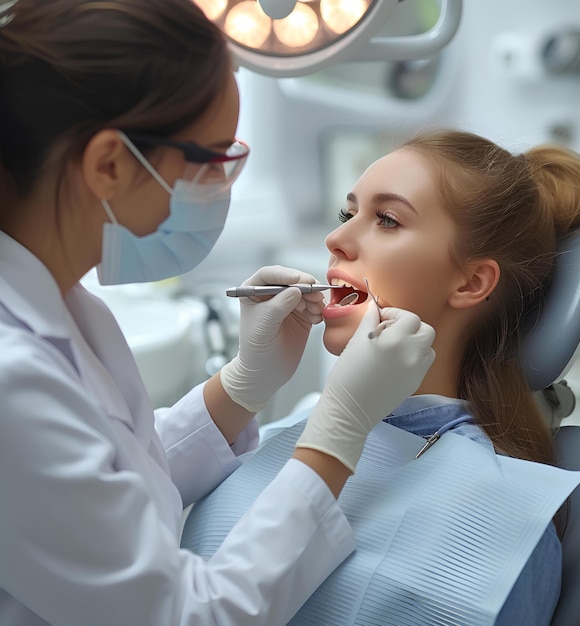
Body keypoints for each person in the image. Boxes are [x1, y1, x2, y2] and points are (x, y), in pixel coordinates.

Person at [0, 2, 437, 625]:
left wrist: (239, 388)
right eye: (211, 160)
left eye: (388, 220)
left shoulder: (68, 306)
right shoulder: (11, 373)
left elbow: (104, 485)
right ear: (109, 165)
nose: (339, 242)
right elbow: (190, 617)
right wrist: (339, 427)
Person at [181, 129, 580, 625]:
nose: (336, 240)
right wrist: (242, 384)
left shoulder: (502, 521)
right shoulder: (304, 426)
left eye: (387, 220)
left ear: (471, 282)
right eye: (348, 214)